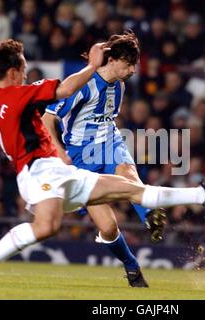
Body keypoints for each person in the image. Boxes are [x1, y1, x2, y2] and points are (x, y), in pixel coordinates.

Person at [0, 39, 205, 287]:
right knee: (48, 227)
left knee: (130, 189)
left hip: (61, 169)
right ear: (13, 72)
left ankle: (202, 193)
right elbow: (62, 92)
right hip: (43, 169)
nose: (26, 74)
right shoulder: (19, 95)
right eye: (23, 69)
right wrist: (91, 67)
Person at [41, 33, 167, 283]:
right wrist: (59, 151)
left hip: (109, 142)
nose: (132, 70)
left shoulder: (119, 85)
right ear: (113, 60)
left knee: (129, 176)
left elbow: (105, 118)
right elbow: (47, 118)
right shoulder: (82, 84)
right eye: (129, 64)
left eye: (134, 65)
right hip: (80, 156)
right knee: (108, 227)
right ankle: (131, 265)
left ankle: (149, 217)